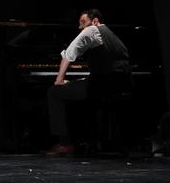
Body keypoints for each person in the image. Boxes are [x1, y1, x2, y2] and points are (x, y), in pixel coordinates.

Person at [45, 9, 132, 155]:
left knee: (54, 92)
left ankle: (65, 143)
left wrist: (59, 80)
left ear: (95, 21)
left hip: (101, 85)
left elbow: (68, 54)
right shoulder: (111, 35)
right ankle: (95, 139)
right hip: (121, 82)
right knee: (79, 86)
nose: (80, 27)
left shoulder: (92, 30)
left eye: (83, 22)